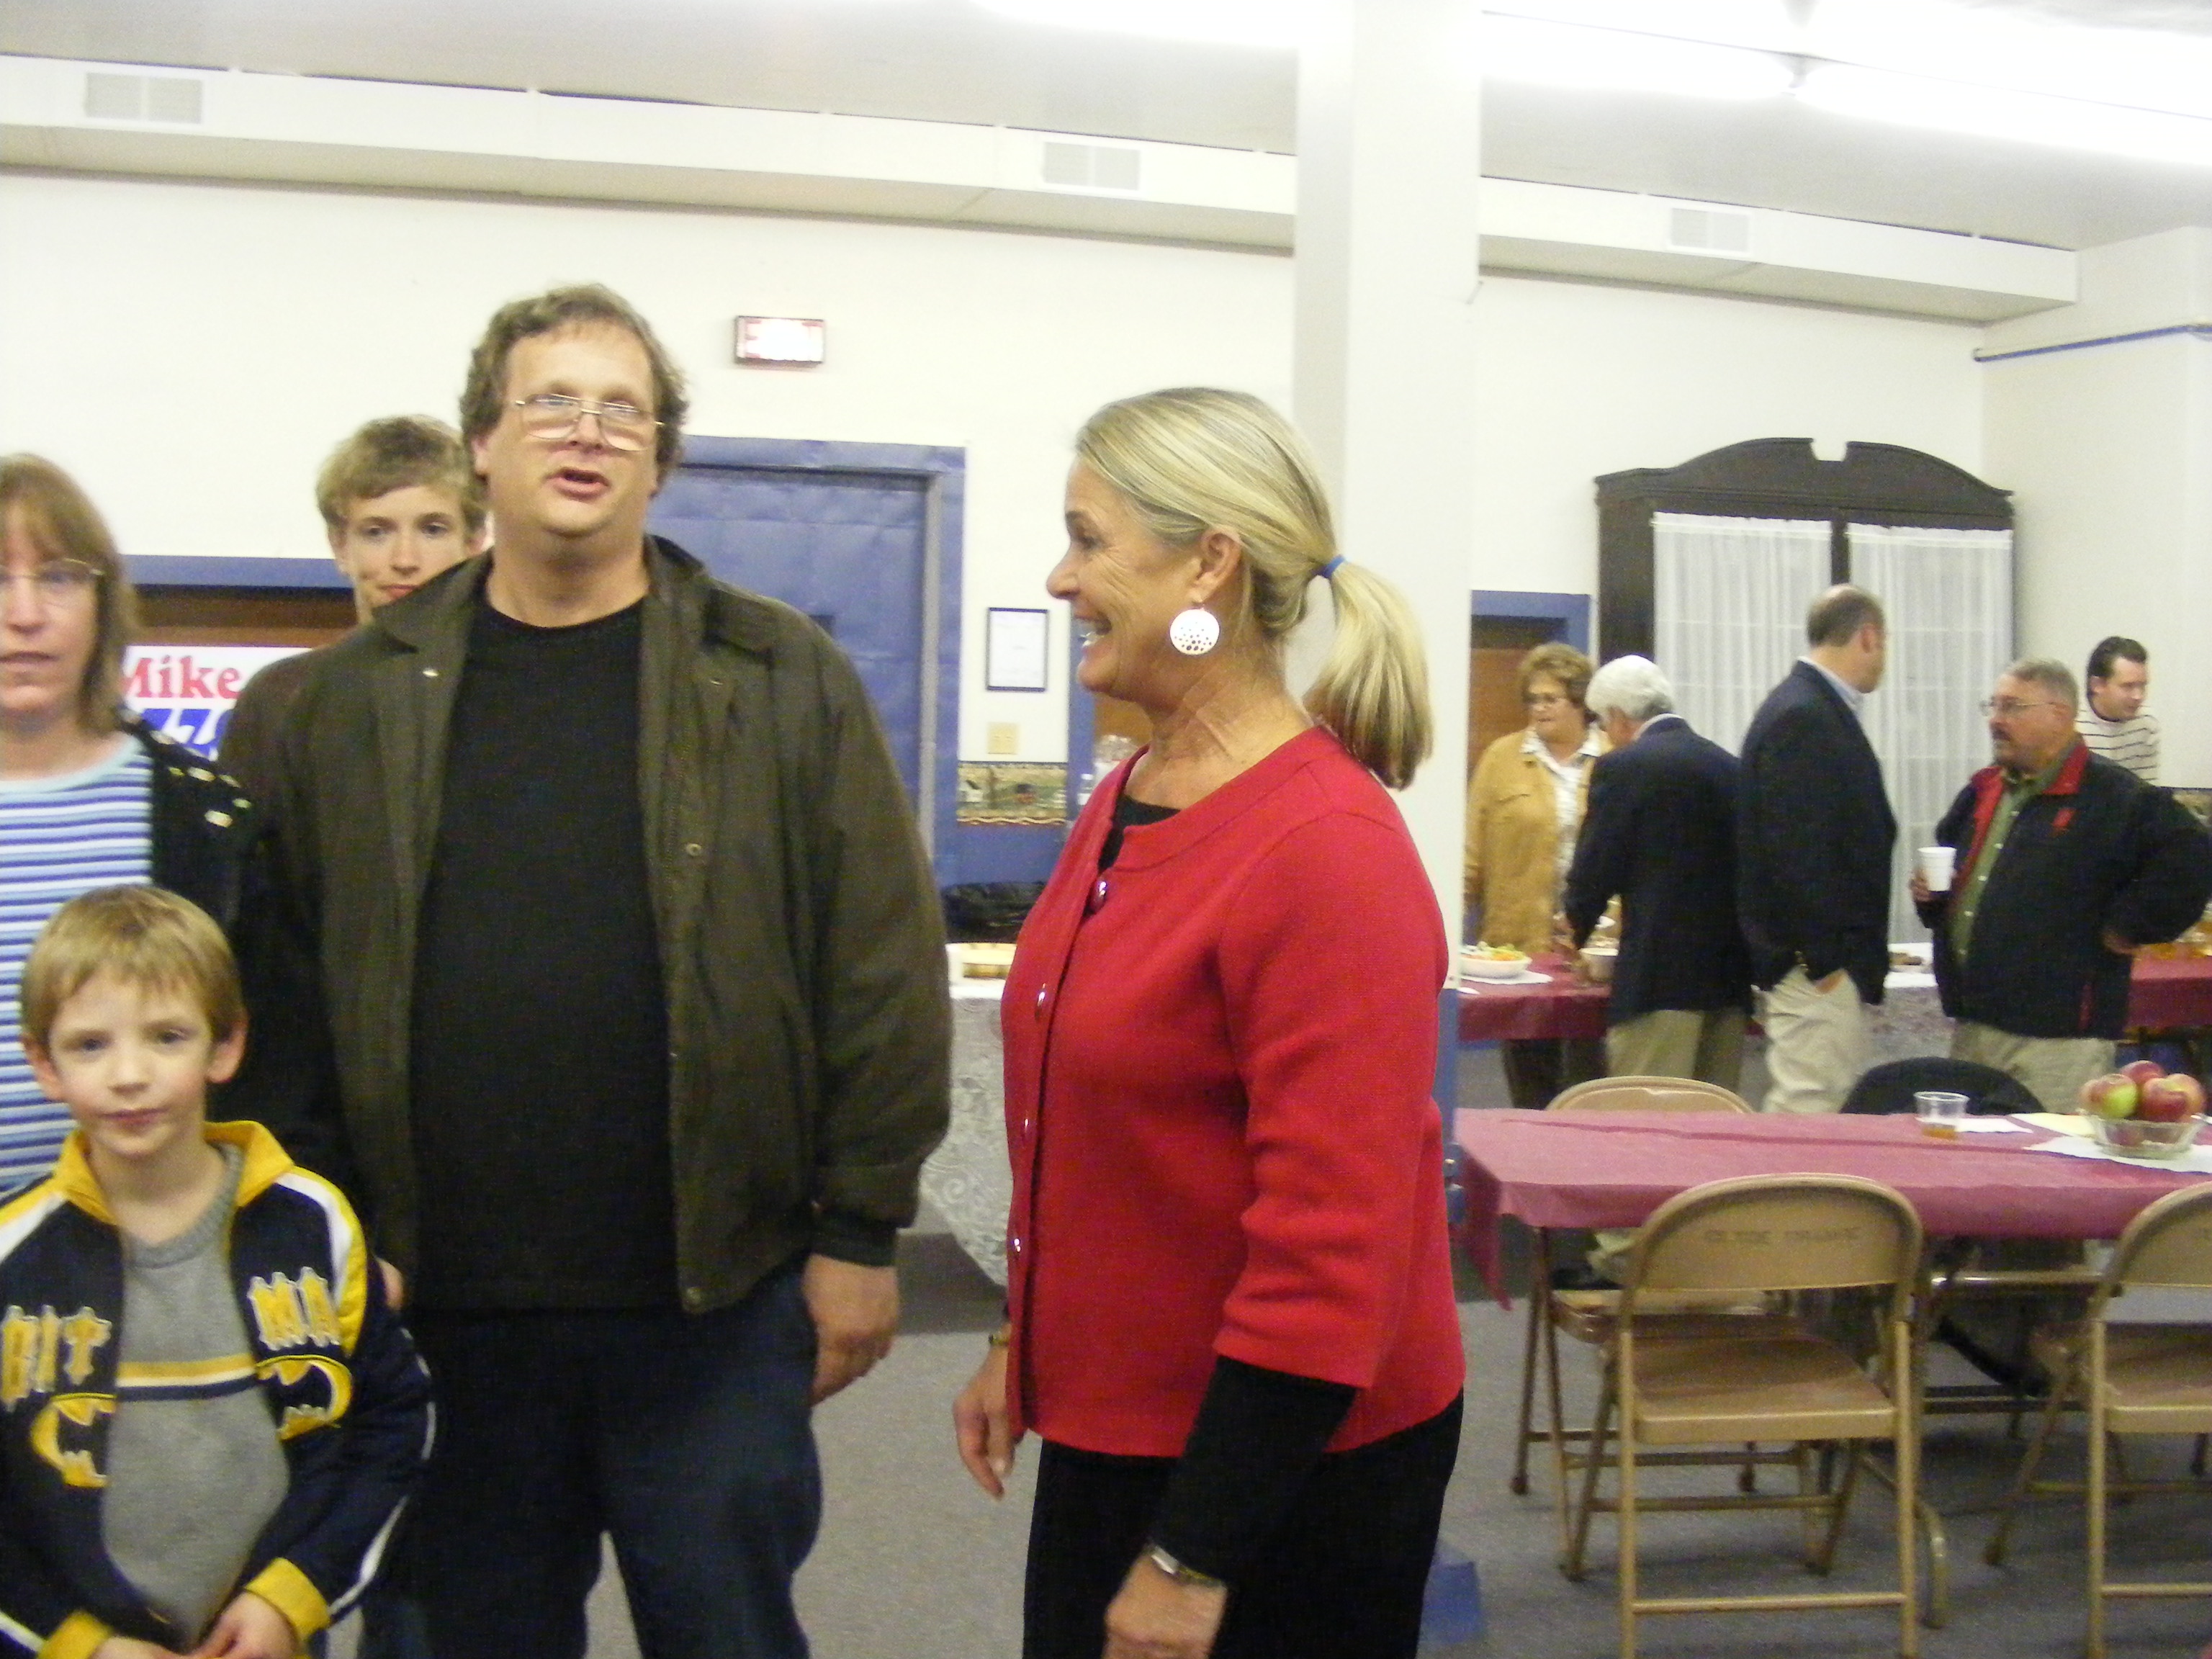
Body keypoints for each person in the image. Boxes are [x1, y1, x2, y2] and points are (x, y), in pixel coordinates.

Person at [259, 284, 949, 1659]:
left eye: (622, 410)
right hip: (433, 1311)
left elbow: (876, 956)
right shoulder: (339, 702)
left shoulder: (775, 672)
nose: (586, 433)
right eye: (552, 403)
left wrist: (861, 1231)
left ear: (662, 458)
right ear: (480, 442)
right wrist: (325, 1228)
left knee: (727, 1632)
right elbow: (279, 997)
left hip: (712, 1306)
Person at [954, 388, 1465, 1659]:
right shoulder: (1134, 787)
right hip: (1129, 1421)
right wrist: (1026, 1336)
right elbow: (1095, 1131)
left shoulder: (1326, 849)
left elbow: (1328, 1251)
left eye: (1087, 539)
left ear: (1208, 565)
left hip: (1276, 1470)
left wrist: (1191, 1557)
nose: (1060, 578)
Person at [1, 884, 428, 1659]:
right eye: (90, 1045)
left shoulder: (313, 1225)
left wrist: (290, 1597)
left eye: (167, 1037)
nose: (129, 1074)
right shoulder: (14, 1253)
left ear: (225, 1046)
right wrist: (79, 1642)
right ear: (44, 1063)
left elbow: (392, 1422)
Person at [0, 455, 331, 1197]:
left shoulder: (207, 819)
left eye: (58, 577)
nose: (25, 614)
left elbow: (283, 1083)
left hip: (166, 1249)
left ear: (102, 603)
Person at [1913, 657, 2211, 1112]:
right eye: (1993, 706)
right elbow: (1952, 871)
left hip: (2060, 1040)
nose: (1995, 720)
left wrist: (2129, 926)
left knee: (2046, 1153)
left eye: (2012, 707)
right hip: (1976, 1026)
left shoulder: (2114, 796)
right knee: (1973, 1153)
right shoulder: (1985, 789)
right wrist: (1932, 898)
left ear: (2059, 714)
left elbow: (2193, 855)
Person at [219, 417, 485, 803]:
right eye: (377, 532)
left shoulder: (503, 687)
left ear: (475, 543)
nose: (405, 559)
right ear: (341, 547)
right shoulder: (282, 697)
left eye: (433, 529)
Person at [1737, 585, 1896, 1115]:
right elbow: (1795, 852)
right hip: (1815, 969)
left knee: (1826, 1104)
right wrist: (1822, 961)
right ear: (1868, 637)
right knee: (1811, 1112)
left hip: (1820, 963)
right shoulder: (1805, 715)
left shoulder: (1812, 707)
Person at [1562, 655, 1750, 1090]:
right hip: (1729, 981)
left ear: (1618, 716)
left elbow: (1597, 866)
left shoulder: (1623, 768)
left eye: (1603, 725)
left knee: (1648, 1116)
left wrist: (1576, 928)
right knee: (1716, 1116)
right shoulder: (1730, 767)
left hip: (1658, 979)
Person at [1463, 642, 1606, 1106]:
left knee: (1590, 1085)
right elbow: (1471, 853)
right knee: (1530, 1086)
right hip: (1518, 949)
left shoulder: (1613, 759)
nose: (1539, 709)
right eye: (1533, 699)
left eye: (1551, 699)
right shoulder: (1501, 759)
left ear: (1580, 703)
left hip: (1592, 951)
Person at [2075, 634, 2158, 784]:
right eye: (2128, 686)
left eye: (2142, 686)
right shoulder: (2072, 725)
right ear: (2097, 685)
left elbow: (2146, 791)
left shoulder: (2146, 723)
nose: (2138, 696)